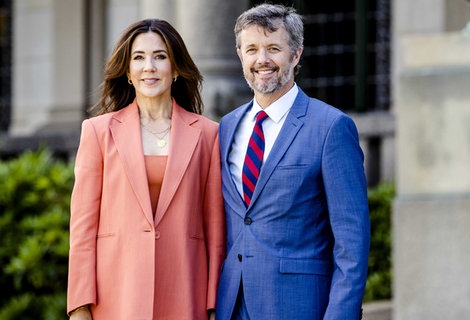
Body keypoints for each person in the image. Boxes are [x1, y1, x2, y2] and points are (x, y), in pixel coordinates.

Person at [216, 4, 370, 320]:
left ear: (296, 54)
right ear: (240, 55)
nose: (262, 60)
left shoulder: (330, 127)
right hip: (231, 305)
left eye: (274, 48)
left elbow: (351, 243)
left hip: (299, 307)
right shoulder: (225, 127)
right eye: (252, 49)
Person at [66, 19, 225, 320]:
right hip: (116, 297)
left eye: (160, 56)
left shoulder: (208, 134)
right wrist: (79, 305)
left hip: (185, 293)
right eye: (138, 58)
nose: (149, 66)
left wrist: (214, 304)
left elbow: (215, 230)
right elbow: (82, 229)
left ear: (176, 68)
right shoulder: (98, 132)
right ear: (127, 72)